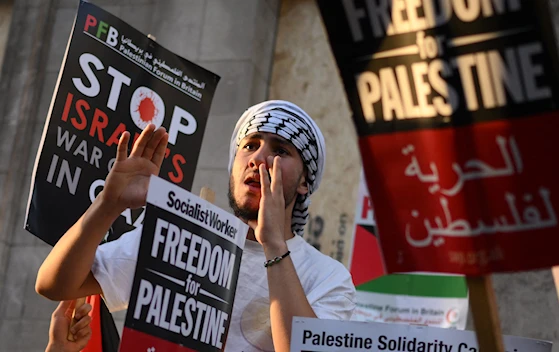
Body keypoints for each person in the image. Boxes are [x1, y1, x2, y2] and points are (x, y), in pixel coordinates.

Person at [36, 100, 356, 352]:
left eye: (280, 151)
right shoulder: (181, 235)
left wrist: (273, 245)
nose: (258, 158)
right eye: (249, 145)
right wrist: (108, 204)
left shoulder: (327, 277)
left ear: (304, 182)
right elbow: (55, 285)